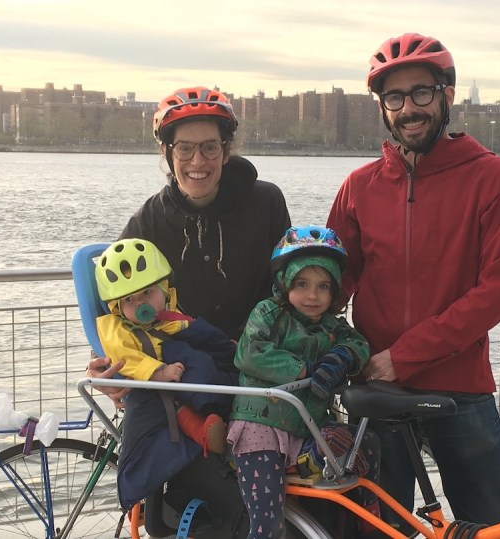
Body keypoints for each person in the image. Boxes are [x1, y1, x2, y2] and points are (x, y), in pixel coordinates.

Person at [326, 33, 500, 529]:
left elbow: (496, 291)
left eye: (421, 93)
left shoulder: (493, 177)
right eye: (394, 97)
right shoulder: (358, 186)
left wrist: (404, 356)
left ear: (447, 95)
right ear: (382, 107)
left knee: (493, 524)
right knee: (378, 528)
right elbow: (330, 283)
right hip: (375, 388)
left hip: (461, 387)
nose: (408, 108)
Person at [86, 86, 291, 538]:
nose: (197, 161)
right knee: (179, 506)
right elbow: (115, 307)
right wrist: (112, 366)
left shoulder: (266, 203)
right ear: (167, 151)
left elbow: (285, 290)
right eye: (184, 148)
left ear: (226, 150)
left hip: (252, 370)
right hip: (183, 380)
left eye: (209, 147)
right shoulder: (148, 222)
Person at [228, 226, 381, 539]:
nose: (313, 295)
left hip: (308, 430)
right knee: (268, 521)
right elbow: (250, 352)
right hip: (261, 429)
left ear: (335, 291)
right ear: (285, 283)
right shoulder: (269, 312)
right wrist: (303, 370)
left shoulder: (332, 327)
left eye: (323, 286)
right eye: (302, 284)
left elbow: (359, 345)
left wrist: (341, 357)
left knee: (368, 443)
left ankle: (369, 520)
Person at [94, 237, 238, 456]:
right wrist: (157, 373)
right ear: (117, 308)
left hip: (193, 373)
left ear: (164, 290)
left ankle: (227, 406)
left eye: (147, 293)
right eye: (129, 300)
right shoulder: (117, 329)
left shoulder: (169, 315)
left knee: (206, 362)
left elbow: (192, 330)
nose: (140, 303)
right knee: (191, 375)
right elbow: (124, 358)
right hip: (165, 381)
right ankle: (215, 417)